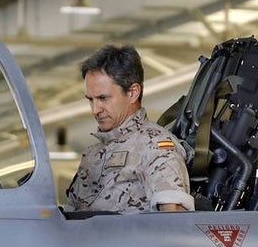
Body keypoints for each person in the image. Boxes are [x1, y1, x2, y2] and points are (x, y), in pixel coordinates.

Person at [66, 44, 194, 213]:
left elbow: (175, 222)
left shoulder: (156, 148)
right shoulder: (92, 155)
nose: (95, 109)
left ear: (133, 93)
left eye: (103, 98)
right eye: (90, 100)